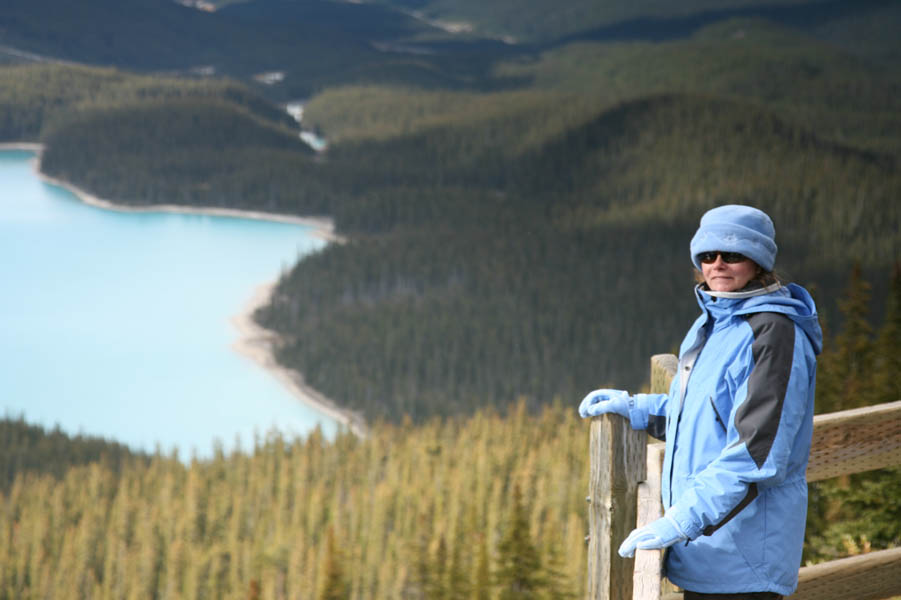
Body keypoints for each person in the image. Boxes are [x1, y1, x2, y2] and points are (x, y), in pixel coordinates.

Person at [578, 205, 822, 599]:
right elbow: (703, 412)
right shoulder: (714, 321)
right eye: (708, 256)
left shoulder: (775, 334)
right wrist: (638, 409)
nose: (718, 264)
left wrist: (680, 521)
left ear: (759, 262)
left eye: (734, 255)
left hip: (743, 562)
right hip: (706, 549)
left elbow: (755, 456)